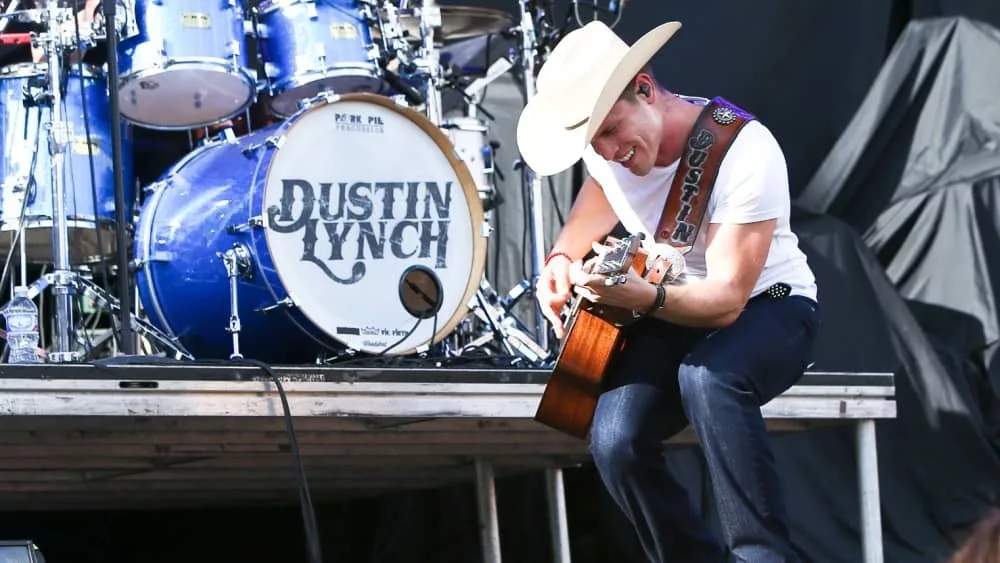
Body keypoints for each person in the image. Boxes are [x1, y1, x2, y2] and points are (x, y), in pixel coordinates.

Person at [516, 19, 820, 563]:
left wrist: (644, 298)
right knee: (615, 441)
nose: (609, 151)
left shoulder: (744, 150)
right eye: (594, 142)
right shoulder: (607, 151)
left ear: (645, 89)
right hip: (671, 307)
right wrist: (561, 260)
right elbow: (602, 188)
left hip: (770, 306)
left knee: (709, 378)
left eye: (612, 130)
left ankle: (762, 556)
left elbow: (727, 299)